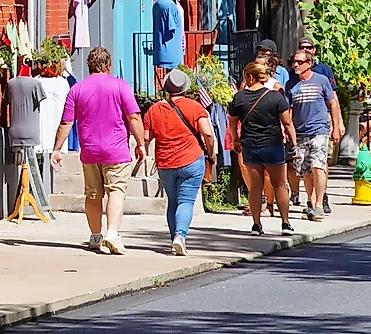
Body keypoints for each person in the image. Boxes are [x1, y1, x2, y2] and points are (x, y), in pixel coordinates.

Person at [55, 46, 145, 256]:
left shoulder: (76, 89)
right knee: (116, 191)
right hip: (116, 150)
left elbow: (66, 122)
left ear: (89, 66)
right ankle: (112, 233)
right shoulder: (120, 86)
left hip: (90, 151)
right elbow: (134, 117)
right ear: (108, 65)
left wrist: (57, 149)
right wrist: (140, 143)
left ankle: (95, 236)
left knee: (93, 194)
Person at [140, 67, 218, 256]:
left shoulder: (154, 109)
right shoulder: (194, 107)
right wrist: (211, 152)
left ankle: (173, 236)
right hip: (191, 159)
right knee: (186, 201)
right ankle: (180, 237)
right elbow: (207, 132)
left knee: (173, 201)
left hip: (166, 163)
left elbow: (146, 137)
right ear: (185, 88)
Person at [226, 56, 297, 236]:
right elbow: (287, 123)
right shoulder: (275, 97)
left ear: (250, 77)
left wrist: (235, 140)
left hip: (250, 145)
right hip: (273, 145)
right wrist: (294, 142)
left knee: (255, 186)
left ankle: (257, 225)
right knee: (280, 184)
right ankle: (285, 223)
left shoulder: (239, 98)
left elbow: (232, 123)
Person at [286, 43, 343, 220]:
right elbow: (288, 110)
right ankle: (311, 202)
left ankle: (319, 204)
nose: (295, 65)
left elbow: (332, 103)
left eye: (299, 62)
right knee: (306, 171)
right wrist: (287, 131)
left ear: (309, 63)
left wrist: (335, 126)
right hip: (300, 132)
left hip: (319, 129)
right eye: (293, 62)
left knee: (318, 165)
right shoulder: (291, 84)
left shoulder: (321, 80)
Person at [6, 59, 66, 214]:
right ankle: (31, 197)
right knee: (31, 164)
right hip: (31, 130)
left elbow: (5, 103)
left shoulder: (11, 83)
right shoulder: (35, 84)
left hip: (14, 129)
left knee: (21, 164)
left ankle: (23, 197)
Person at [152, 0, 186, 84]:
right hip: (171, 48)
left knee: (167, 76)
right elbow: (172, 27)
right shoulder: (170, 6)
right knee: (173, 78)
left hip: (161, 47)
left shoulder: (158, 3)